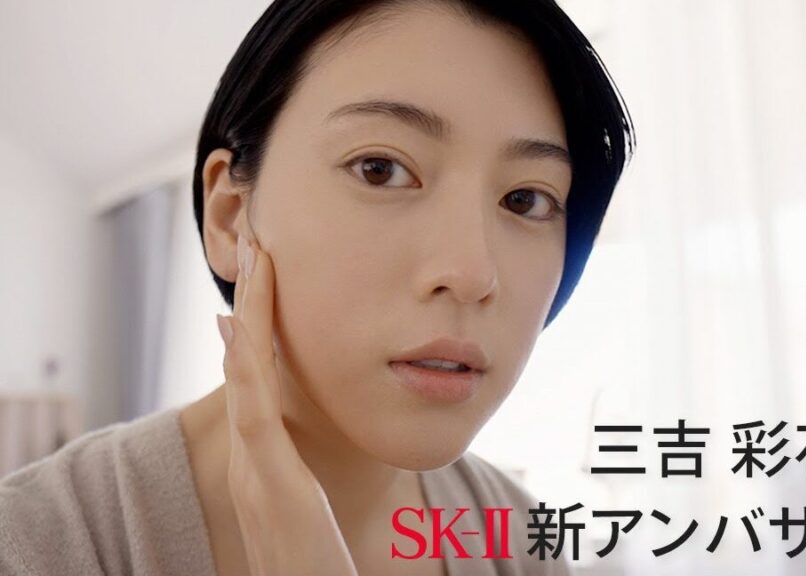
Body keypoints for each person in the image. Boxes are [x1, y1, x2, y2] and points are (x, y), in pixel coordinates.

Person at [0, 0, 633, 574]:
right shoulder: (37, 544)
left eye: (526, 200)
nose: (472, 275)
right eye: (381, 169)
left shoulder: (519, 538)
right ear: (230, 216)